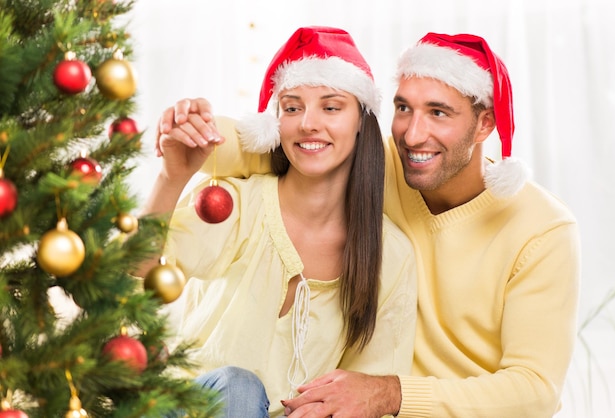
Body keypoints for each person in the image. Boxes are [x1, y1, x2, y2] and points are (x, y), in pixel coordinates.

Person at [156, 32, 581, 418]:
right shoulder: (389, 162)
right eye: (403, 109)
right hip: (332, 403)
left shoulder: (543, 229)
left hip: (408, 405)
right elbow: (293, 145)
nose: (414, 135)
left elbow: (536, 389)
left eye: (438, 113)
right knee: (239, 389)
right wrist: (193, 133)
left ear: (484, 123)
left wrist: (392, 394)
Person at [138, 26, 417, 418]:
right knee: (238, 386)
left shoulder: (392, 255)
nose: (308, 123)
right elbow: (137, 270)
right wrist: (172, 177)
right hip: (190, 408)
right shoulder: (236, 204)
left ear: (361, 119)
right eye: (291, 107)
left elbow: (368, 393)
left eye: (331, 107)